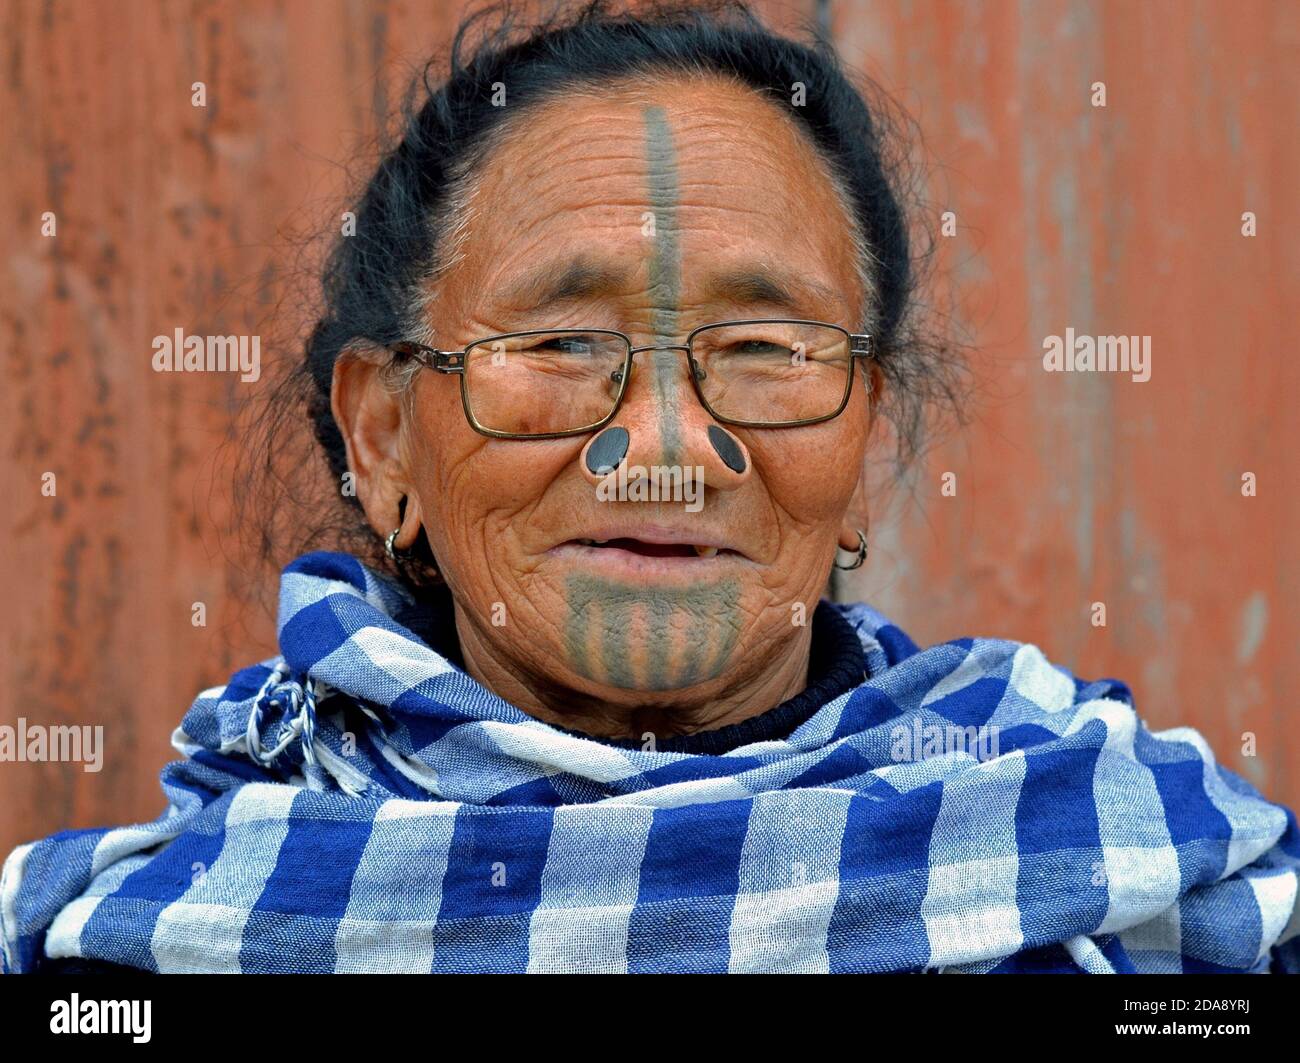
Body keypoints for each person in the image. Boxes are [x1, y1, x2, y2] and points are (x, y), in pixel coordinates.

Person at [3, 0, 1296, 974]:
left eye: (764, 351)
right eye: (562, 345)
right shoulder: (129, 949)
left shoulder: (1160, 892)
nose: (670, 447)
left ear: (867, 452)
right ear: (385, 439)